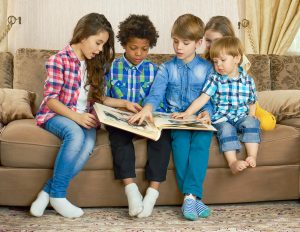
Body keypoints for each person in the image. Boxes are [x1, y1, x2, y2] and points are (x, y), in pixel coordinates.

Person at [30, 13, 115, 218]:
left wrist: (125, 104)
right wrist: (76, 118)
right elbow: (51, 99)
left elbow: (100, 98)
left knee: (86, 147)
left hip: (84, 117)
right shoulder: (58, 60)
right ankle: (58, 195)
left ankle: (46, 193)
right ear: (83, 35)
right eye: (98, 42)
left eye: (103, 45)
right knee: (76, 136)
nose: (100, 49)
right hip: (55, 114)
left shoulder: (94, 64)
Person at [129, 14, 213, 221]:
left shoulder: (207, 69)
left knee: (201, 143)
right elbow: (156, 94)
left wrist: (206, 113)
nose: (179, 47)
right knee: (181, 145)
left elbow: (209, 97)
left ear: (199, 43)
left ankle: (190, 196)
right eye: (175, 41)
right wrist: (147, 108)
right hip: (175, 121)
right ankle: (193, 198)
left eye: (185, 43)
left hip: (198, 121)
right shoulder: (166, 68)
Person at [103, 14, 171, 218]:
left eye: (144, 48)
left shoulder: (155, 70)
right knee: (118, 137)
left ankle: (152, 192)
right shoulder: (111, 67)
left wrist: (148, 114)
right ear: (124, 44)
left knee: (163, 137)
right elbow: (101, 98)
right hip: (121, 122)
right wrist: (122, 105)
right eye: (134, 48)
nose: (139, 53)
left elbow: (159, 100)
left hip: (147, 122)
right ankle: (131, 191)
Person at [172, 36, 261, 174]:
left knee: (252, 122)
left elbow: (252, 102)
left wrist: (251, 115)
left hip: (241, 117)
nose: (218, 65)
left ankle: (252, 156)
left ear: (237, 58)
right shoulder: (215, 79)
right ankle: (232, 162)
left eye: (223, 60)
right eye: (215, 61)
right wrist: (187, 113)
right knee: (226, 129)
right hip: (221, 118)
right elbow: (203, 98)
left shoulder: (248, 80)